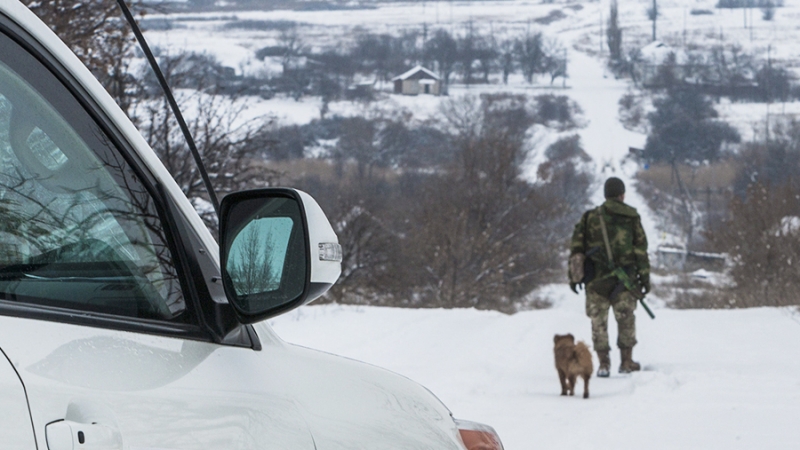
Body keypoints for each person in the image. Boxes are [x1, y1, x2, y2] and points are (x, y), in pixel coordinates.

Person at [568, 177, 650, 377]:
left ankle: (604, 364)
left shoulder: (589, 217)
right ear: (622, 195)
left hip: (596, 280)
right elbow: (640, 250)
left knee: (598, 323)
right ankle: (627, 362)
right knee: (626, 320)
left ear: (605, 195)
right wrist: (645, 278)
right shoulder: (632, 217)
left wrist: (574, 277)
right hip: (625, 280)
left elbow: (576, 249)